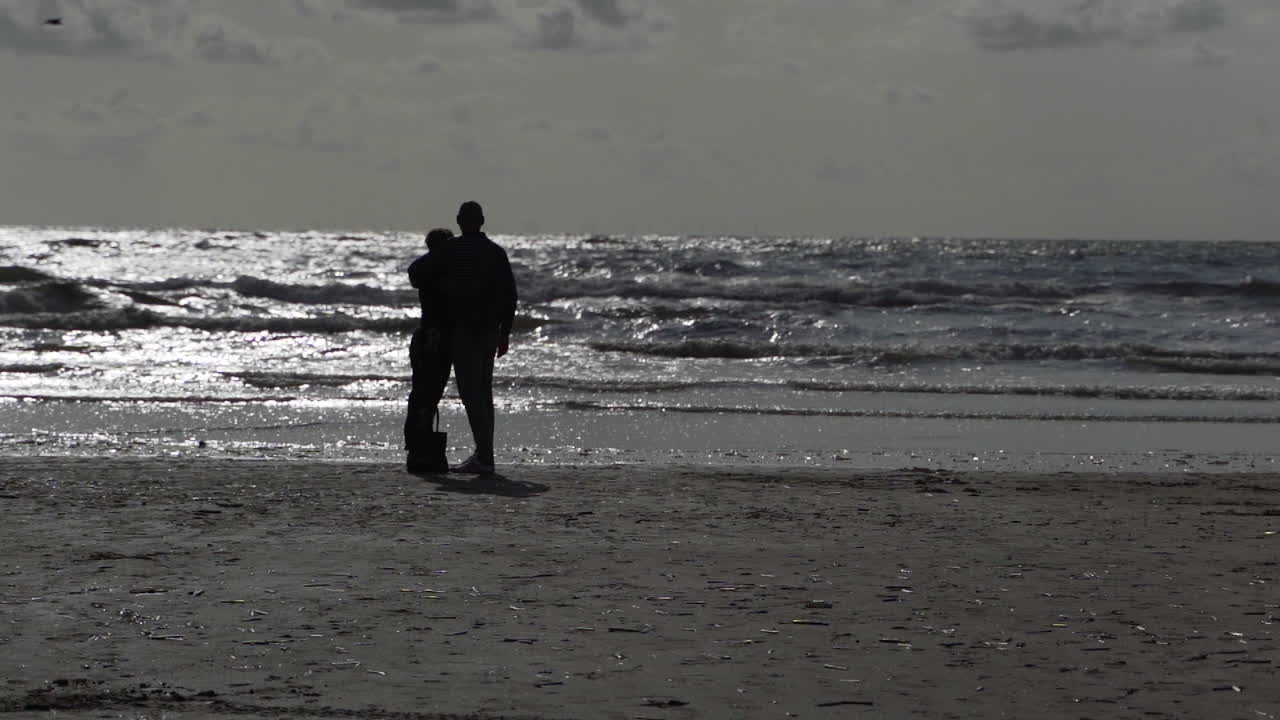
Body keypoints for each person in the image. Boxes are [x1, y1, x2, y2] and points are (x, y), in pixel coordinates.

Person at [409, 201, 517, 474]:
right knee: (484, 392)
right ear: (482, 220)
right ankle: (485, 454)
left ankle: (485, 458)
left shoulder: (451, 249)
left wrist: (442, 282)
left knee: (472, 394)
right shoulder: (495, 252)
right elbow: (510, 294)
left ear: (459, 220)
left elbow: (415, 273)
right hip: (490, 330)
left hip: (464, 329)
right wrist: (505, 332)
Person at [404, 227, 455, 473]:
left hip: (427, 336)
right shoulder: (438, 270)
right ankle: (421, 450)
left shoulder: (429, 270)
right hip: (433, 338)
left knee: (423, 394)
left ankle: (418, 449)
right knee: (426, 395)